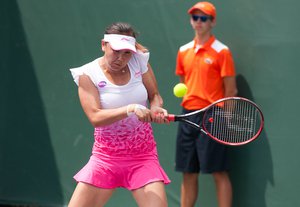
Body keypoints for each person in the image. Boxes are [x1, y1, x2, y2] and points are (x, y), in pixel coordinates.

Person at [68, 22, 170, 207]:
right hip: (105, 159)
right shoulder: (87, 74)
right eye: (116, 51)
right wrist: (129, 109)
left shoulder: (139, 62)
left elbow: (154, 95)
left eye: (127, 53)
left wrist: (155, 108)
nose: (121, 58)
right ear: (103, 45)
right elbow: (95, 117)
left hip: (143, 157)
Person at [174, 2, 238, 207]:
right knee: (188, 171)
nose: (199, 22)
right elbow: (184, 83)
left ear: (212, 22)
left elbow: (231, 90)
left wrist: (226, 120)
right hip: (187, 116)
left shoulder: (222, 51)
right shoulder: (183, 51)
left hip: (213, 116)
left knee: (218, 171)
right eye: (195, 18)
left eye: (204, 18)